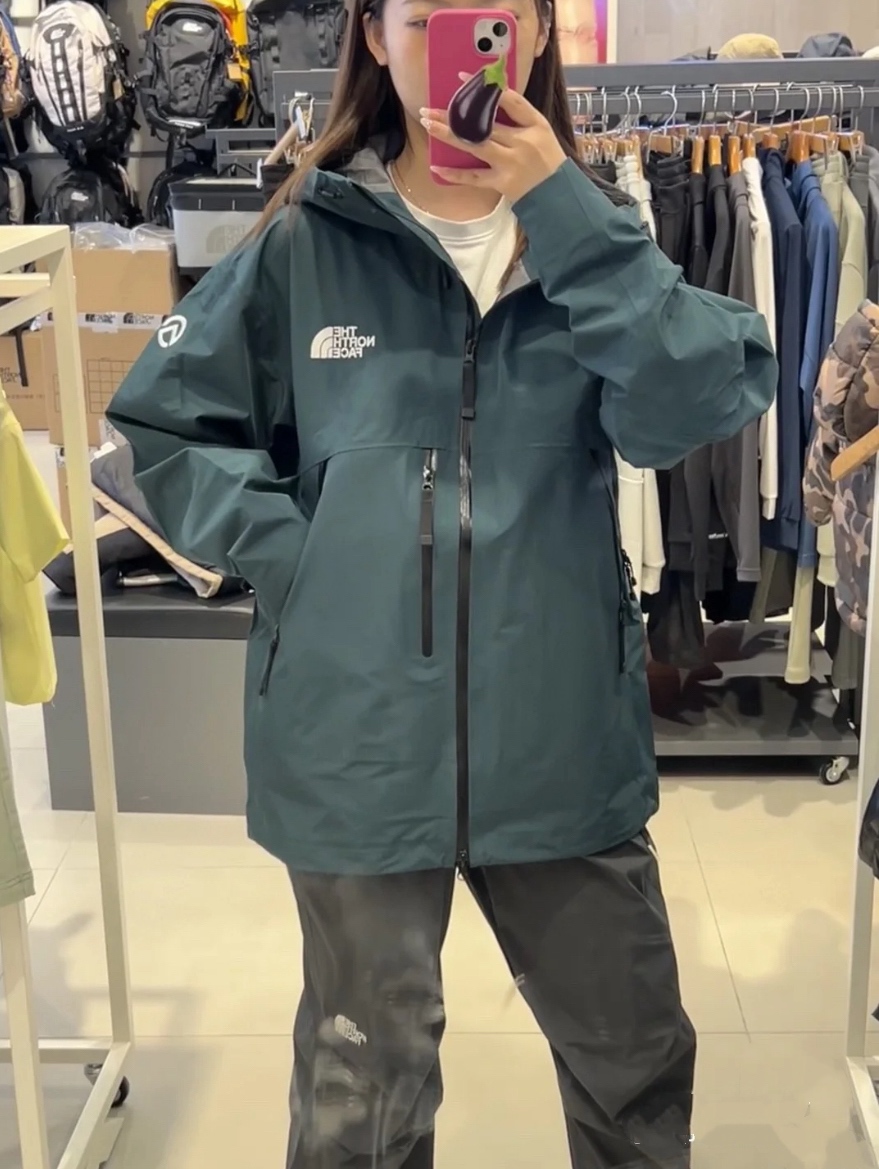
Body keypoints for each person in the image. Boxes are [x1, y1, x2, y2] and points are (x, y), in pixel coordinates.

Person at [107, 0, 777, 1163]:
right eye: (427, 17)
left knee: (633, 1071)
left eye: (494, 17)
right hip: (356, 747)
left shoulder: (598, 232)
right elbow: (159, 431)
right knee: (362, 1102)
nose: (460, 48)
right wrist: (301, 557)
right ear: (375, 35)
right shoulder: (307, 239)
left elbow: (699, 397)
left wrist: (566, 214)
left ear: (537, 35)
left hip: (560, 740)